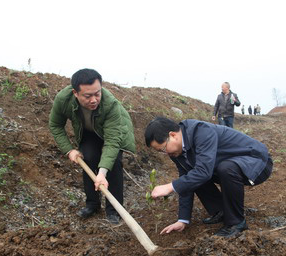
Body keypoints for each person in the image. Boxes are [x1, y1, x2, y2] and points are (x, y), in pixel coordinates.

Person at [144, 117, 273, 237]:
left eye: (163, 149)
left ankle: (236, 223)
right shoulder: (176, 152)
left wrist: (171, 186)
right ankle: (221, 211)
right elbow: (187, 180)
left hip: (257, 162)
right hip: (229, 165)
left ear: (172, 135)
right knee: (194, 176)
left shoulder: (201, 131)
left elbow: (203, 171)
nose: (165, 153)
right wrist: (182, 220)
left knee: (222, 169)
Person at [49, 68, 136, 224]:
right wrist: (69, 150)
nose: (94, 100)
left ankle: (113, 210)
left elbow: (112, 141)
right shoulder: (63, 100)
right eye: (88, 96)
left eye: (97, 94)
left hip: (114, 133)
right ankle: (93, 204)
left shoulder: (110, 104)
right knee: (88, 158)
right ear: (75, 93)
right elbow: (55, 125)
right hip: (89, 131)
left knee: (113, 163)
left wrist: (102, 173)